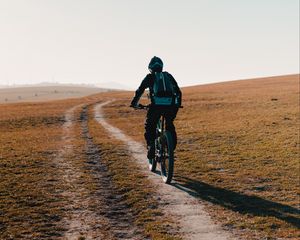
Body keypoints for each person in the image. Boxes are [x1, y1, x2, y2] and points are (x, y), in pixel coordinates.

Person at [130, 56, 182, 160]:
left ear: (150, 67)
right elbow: (178, 91)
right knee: (170, 125)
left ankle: (151, 146)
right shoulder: (168, 76)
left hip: (156, 107)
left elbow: (140, 91)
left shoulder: (149, 77)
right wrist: (177, 104)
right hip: (171, 106)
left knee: (150, 125)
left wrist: (134, 103)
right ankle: (170, 148)